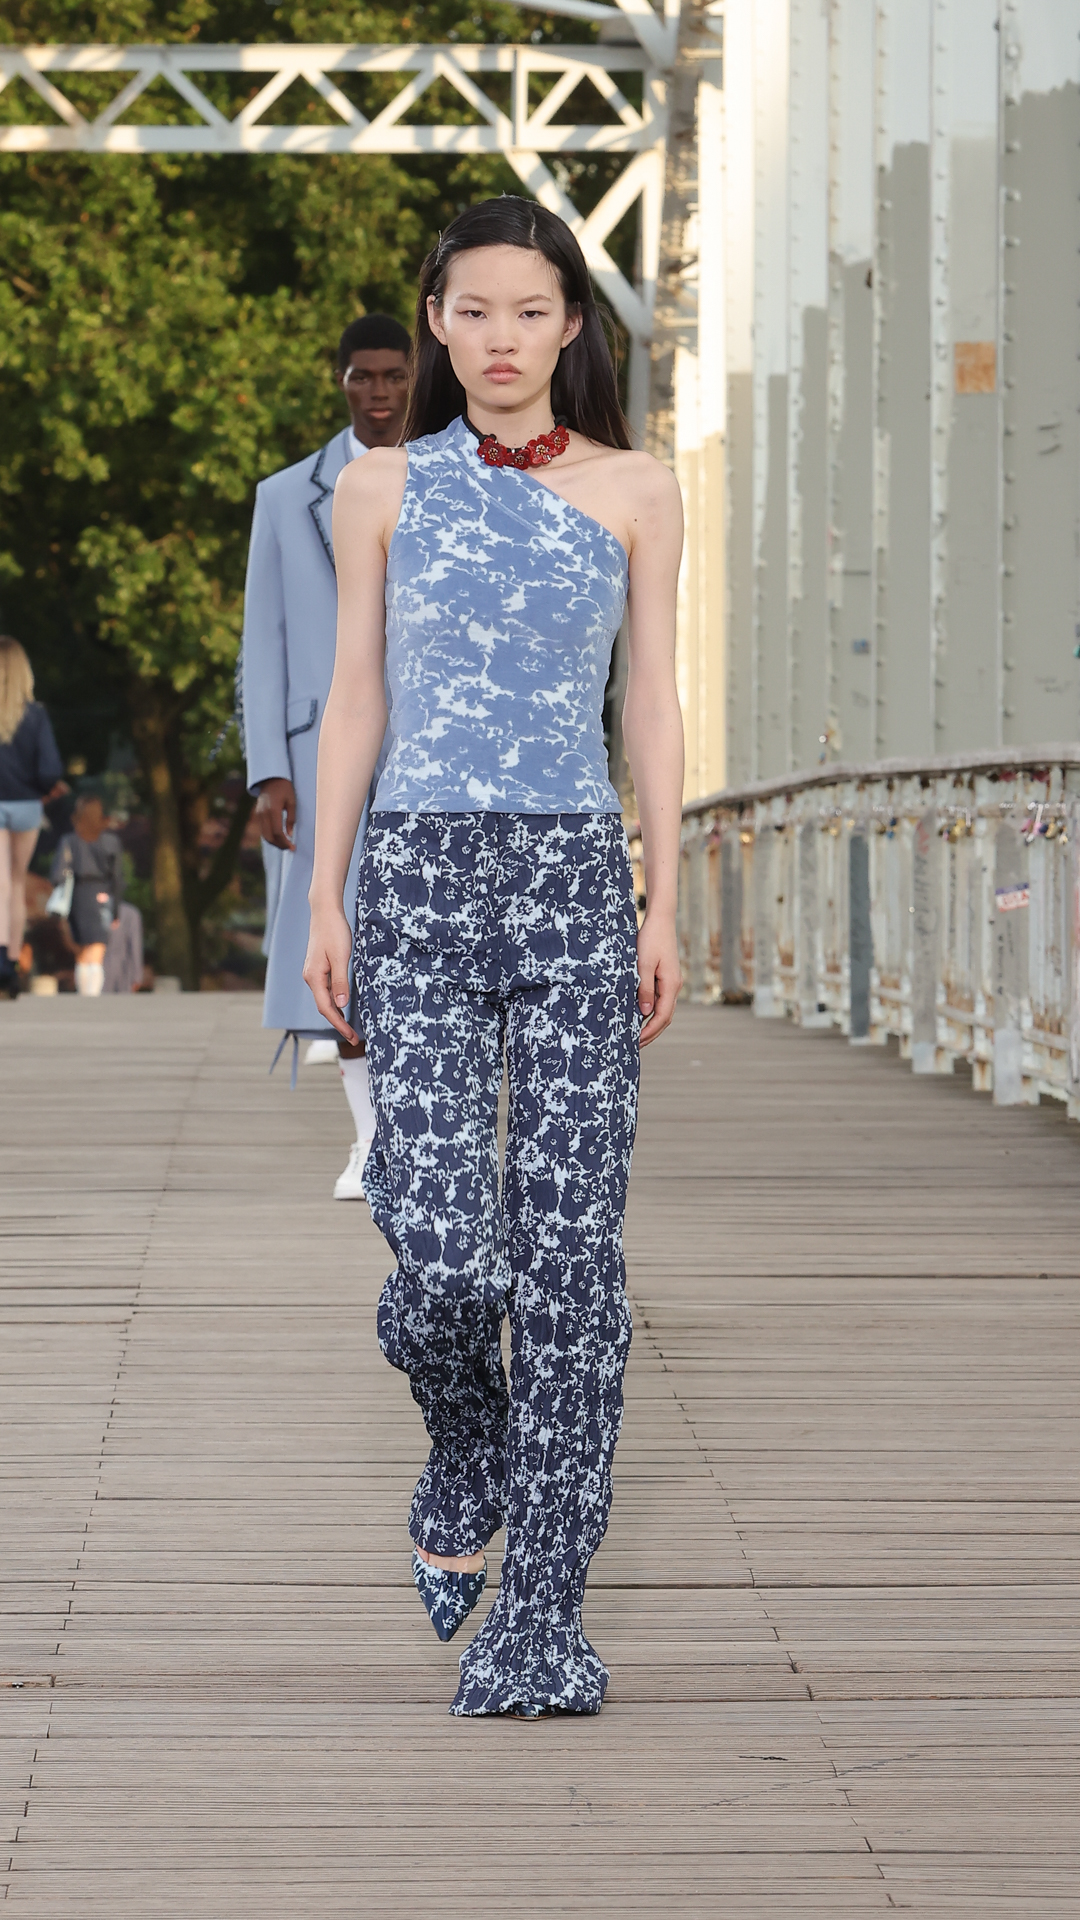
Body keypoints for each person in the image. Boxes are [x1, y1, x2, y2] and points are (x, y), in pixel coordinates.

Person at [304, 198, 685, 1717]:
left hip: (575, 877)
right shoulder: (379, 488)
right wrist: (325, 900)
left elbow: (650, 701)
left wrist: (665, 901)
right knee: (449, 1255)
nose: (502, 339)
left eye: (532, 311)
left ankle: (543, 1621)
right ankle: (467, 1443)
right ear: (436, 323)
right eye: (473, 312)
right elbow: (355, 696)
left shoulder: (639, 488)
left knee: (574, 1263)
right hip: (416, 876)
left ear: (573, 324)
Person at [239, 312, 410, 1198]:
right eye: (361, 376)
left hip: (429, 745)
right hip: (317, 756)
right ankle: (370, 1140)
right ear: (339, 382)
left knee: (418, 940)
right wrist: (268, 767)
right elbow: (262, 638)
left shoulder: (459, 480)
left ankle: (413, 1139)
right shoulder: (283, 496)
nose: (378, 393)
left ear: (416, 377)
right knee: (335, 933)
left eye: (394, 375)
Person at [0, 636, 67, 996]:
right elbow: (50, 769)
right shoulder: (36, 715)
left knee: (0, 884)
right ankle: (11, 963)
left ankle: (0, 961)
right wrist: (38, 787)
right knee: (15, 883)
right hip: (26, 806)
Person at [51, 794, 123, 996]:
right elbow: (117, 878)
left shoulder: (69, 841)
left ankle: (84, 994)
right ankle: (94, 995)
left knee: (82, 952)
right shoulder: (110, 842)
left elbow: (58, 875)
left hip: (78, 896)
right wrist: (116, 911)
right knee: (97, 951)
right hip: (102, 895)